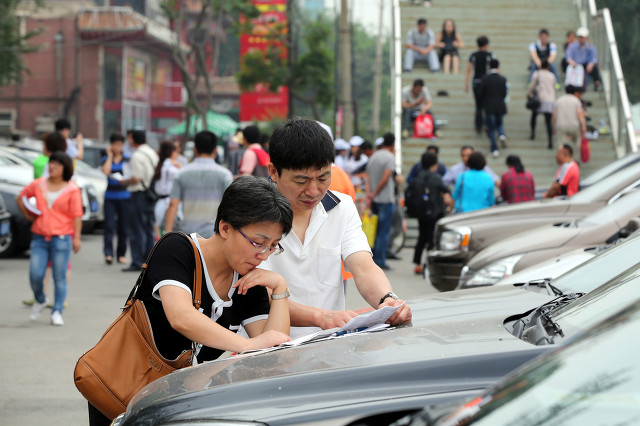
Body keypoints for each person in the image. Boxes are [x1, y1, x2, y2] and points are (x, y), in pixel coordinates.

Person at [86, 176, 293, 426]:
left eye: (273, 246)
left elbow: (272, 351)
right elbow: (181, 317)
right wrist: (245, 345)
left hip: (178, 406)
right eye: (258, 243)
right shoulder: (177, 248)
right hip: (124, 390)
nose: (263, 255)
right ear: (225, 228)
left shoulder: (247, 280)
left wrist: (279, 287)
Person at [259, 118, 411, 339]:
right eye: (301, 181)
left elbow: (363, 266)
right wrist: (320, 317)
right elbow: (257, 294)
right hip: (267, 349)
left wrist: (387, 300)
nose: (313, 191)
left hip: (327, 346)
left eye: (323, 177)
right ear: (274, 171)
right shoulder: (253, 214)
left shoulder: (342, 207)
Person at [16, 152, 82, 326]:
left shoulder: (72, 188)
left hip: (61, 238)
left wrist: (77, 238)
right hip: (39, 237)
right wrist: (28, 215)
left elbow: (77, 215)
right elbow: (21, 197)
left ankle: (57, 311)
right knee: (35, 274)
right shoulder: (39, 184)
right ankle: (40, 298)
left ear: (65, 168)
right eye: (51, 163)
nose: (53, 166)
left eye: (58, 164)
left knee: (59, 276)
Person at [164, 130, 232, 239]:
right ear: (215, 151)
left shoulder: (182, 174)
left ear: (195, 150)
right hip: (215, 234)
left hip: (188, 234)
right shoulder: (225, 175)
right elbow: (230, 206)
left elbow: (173, 205)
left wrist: (167, 234)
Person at [408, 152, 453, 275]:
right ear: (435, 165)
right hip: (435, 212)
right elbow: (446, 190)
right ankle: (428, 264)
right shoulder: (436, 178)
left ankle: (417, 264)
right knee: (432, 239)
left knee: (421, 237)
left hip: (421, 213)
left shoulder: (418, 177)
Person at [120, 129, 158, 272]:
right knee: (148, 228)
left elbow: (136, 178)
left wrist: (123, 181)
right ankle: (149, 259)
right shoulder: (151, 153)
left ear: (132, 139)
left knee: (136, 229)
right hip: (150, 194)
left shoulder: (137, 156)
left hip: (139, 194)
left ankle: (137, 261)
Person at [366, 133, 397, 270]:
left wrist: (369, 195)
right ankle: (380, 261)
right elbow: (385, 178)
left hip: (374, 200)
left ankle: (373, 259)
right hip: (385, 199)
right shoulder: (390, 157)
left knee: (374, 230)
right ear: (393, 144)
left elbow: (367, 177)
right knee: (383, 232)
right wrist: (376, 193)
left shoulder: (374, 156)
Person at [101, 133, 131, 265]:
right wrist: (109, 156)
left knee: (123, 227)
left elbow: (130, 176)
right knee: (109, 226)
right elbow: (106, 171)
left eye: (120, 144)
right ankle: (108, 253)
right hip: (110, 197)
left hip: (124, 196)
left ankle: (121, 254)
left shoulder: (127, 160)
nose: (117, 147)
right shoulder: (106, 158)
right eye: (115, 145)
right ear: (111, 145)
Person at [465, 36, 497, 133]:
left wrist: (466, 84)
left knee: (478, 105)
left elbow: (469, 70)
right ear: (486, 45)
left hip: (476, 82)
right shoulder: (490, 55)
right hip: (487, 82)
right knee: (487, 105)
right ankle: (487, 124)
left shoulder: (473, 55)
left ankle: (478, 125)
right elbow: (495, 69)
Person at [479, 59, 508, 157]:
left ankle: (494, 149)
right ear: (498, 67)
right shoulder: (503, 79)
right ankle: (501, 134)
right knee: (499, 123)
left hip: (489, 106)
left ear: (489, 67)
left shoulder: (485, 78)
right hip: (500, 104)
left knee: (491, 128)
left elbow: (481, 93)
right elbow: (504, 93)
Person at [153, 141, 182, 238]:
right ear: (171, 152)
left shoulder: (161, 163)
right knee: (171, 229)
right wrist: (180, 166)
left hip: (161, 201)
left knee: (159, 227)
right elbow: (182, 175)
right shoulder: (169, 165)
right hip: (169, 201)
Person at [528, 60, 557, 149]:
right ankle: (550, 140)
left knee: (534, 116)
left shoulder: (537, 74)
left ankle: (533, 133)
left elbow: (532, 86)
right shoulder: (552, 75)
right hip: (550, 100)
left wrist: (528, 93)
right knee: (548, 121)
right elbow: (554, 87)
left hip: (540, 99)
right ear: (548, 67)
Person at [553, 85, 586, 158]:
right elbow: (579, 114)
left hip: (561, 125)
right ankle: (575, 159)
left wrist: (554, 126)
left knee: (561, 144)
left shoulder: (559, 100)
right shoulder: (576, 100)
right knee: (577, 142)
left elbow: (554, 115)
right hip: (574, 125)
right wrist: (583, 125)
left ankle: (562, 158)